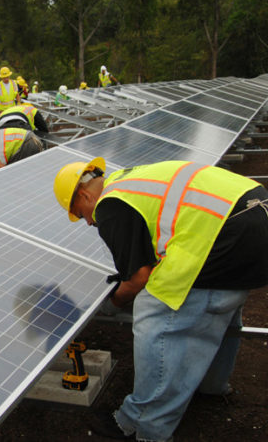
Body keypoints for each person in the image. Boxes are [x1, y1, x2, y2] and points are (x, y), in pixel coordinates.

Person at [52, 157, 268, 442]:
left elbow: (138, 278)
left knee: (157, 310)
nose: (89, 222)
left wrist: (113, 303)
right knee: (218, 303)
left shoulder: (110, 205)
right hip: (255, 214)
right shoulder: (130, 180)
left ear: (84, 195)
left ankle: (142, 425)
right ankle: (211, 385)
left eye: (81, 214)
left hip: (228, 232)